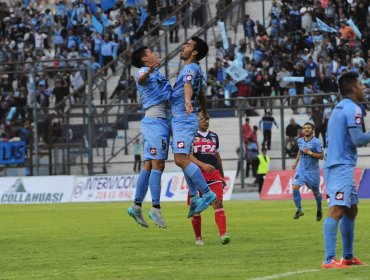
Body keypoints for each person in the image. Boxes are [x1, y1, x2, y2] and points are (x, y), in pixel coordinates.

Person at [322, 72, 369, 269]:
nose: (363, 87)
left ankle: (348, 257)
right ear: (353, 89)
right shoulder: (352, 109)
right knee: (337, 209)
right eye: (360, 84)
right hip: (340, 165)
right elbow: (358, 139)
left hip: (338, 163)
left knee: (351, 209)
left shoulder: (340, 107)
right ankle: (329, 260)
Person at [170, 36, 217, 218]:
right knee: (185, 160)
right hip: (183, 118)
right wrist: (204, 110)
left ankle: (206, 193)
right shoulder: (198, 69)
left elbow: (188, 85)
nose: (183, 46)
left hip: (183, 118)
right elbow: (201, 93)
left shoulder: (189, 68)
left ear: (195, 52)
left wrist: (187, 100)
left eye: (188, 45)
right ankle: (193, 196)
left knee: (180, 159)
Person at [127, 47, 172, 229]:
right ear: (146, 59)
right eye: (151, 51)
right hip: (155, 121)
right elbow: (141, 78)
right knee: (158, 165)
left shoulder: (157, 73)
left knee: (148, 164)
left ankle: (136, 206)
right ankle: (155, 208)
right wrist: (151, 70)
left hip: (158, 122)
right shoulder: (144, 70)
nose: (155, 52)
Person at [188, 111, 230, 245]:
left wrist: (222, 175)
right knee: (196, 209)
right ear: (197, 121)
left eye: (207, 119)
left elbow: (217, 156)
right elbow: (188, 156)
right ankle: (198, 237)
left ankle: (223, 234)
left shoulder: (214, 136)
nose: (206, 121)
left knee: (218, 203)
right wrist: (202, 165)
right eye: (202, 119)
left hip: (214, 175)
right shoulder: (191, 136)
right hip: (196, 176)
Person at [291, 122, 324, 221]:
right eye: (304, 128)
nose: (306, 129)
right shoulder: (300, 141)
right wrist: (296, 163)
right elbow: (300, 151)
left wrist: (309, 152)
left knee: (316, 193)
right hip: (301, 170)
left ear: (312, 130)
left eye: (308, 128)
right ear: (302, 130)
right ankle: (299, 210)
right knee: (295, 187)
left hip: (313, 172)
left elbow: (322, 156)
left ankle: (319, 209)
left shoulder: (317, 142)